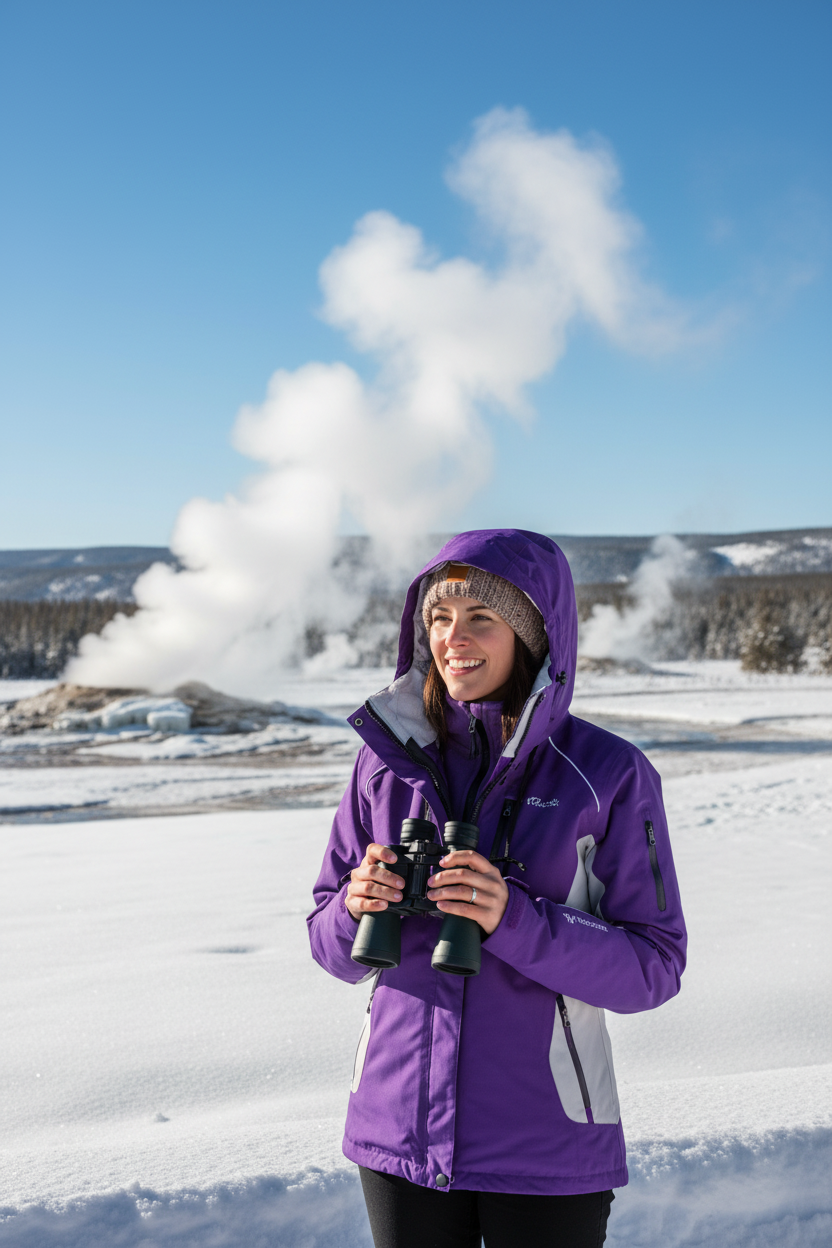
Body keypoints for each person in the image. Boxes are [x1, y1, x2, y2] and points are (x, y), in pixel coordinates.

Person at [307, 529, 687, 1248]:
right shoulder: (384, 765)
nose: (454, 638)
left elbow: (654, 967)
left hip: (547, 1140)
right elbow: (329, 947)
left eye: (481, 618)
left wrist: (513, 919)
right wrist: (356, 909)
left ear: (534, 634)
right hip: (399, 1135)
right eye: (439, 618)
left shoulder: (607, 774)